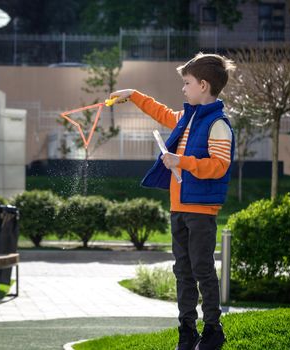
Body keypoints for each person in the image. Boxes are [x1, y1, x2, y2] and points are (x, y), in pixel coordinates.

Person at [110, 53, 235, 350]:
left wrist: (182, 160)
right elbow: (162, 112)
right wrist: (133, 95)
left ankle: (213, 331)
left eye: (187, 83)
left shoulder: (219, 124)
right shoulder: (187, 118)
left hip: (201, 211)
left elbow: (219, 166)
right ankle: (187, 331)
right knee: (183, 271)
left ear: (203, 85)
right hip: (178, 208)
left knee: (202, 270)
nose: (183, 88)